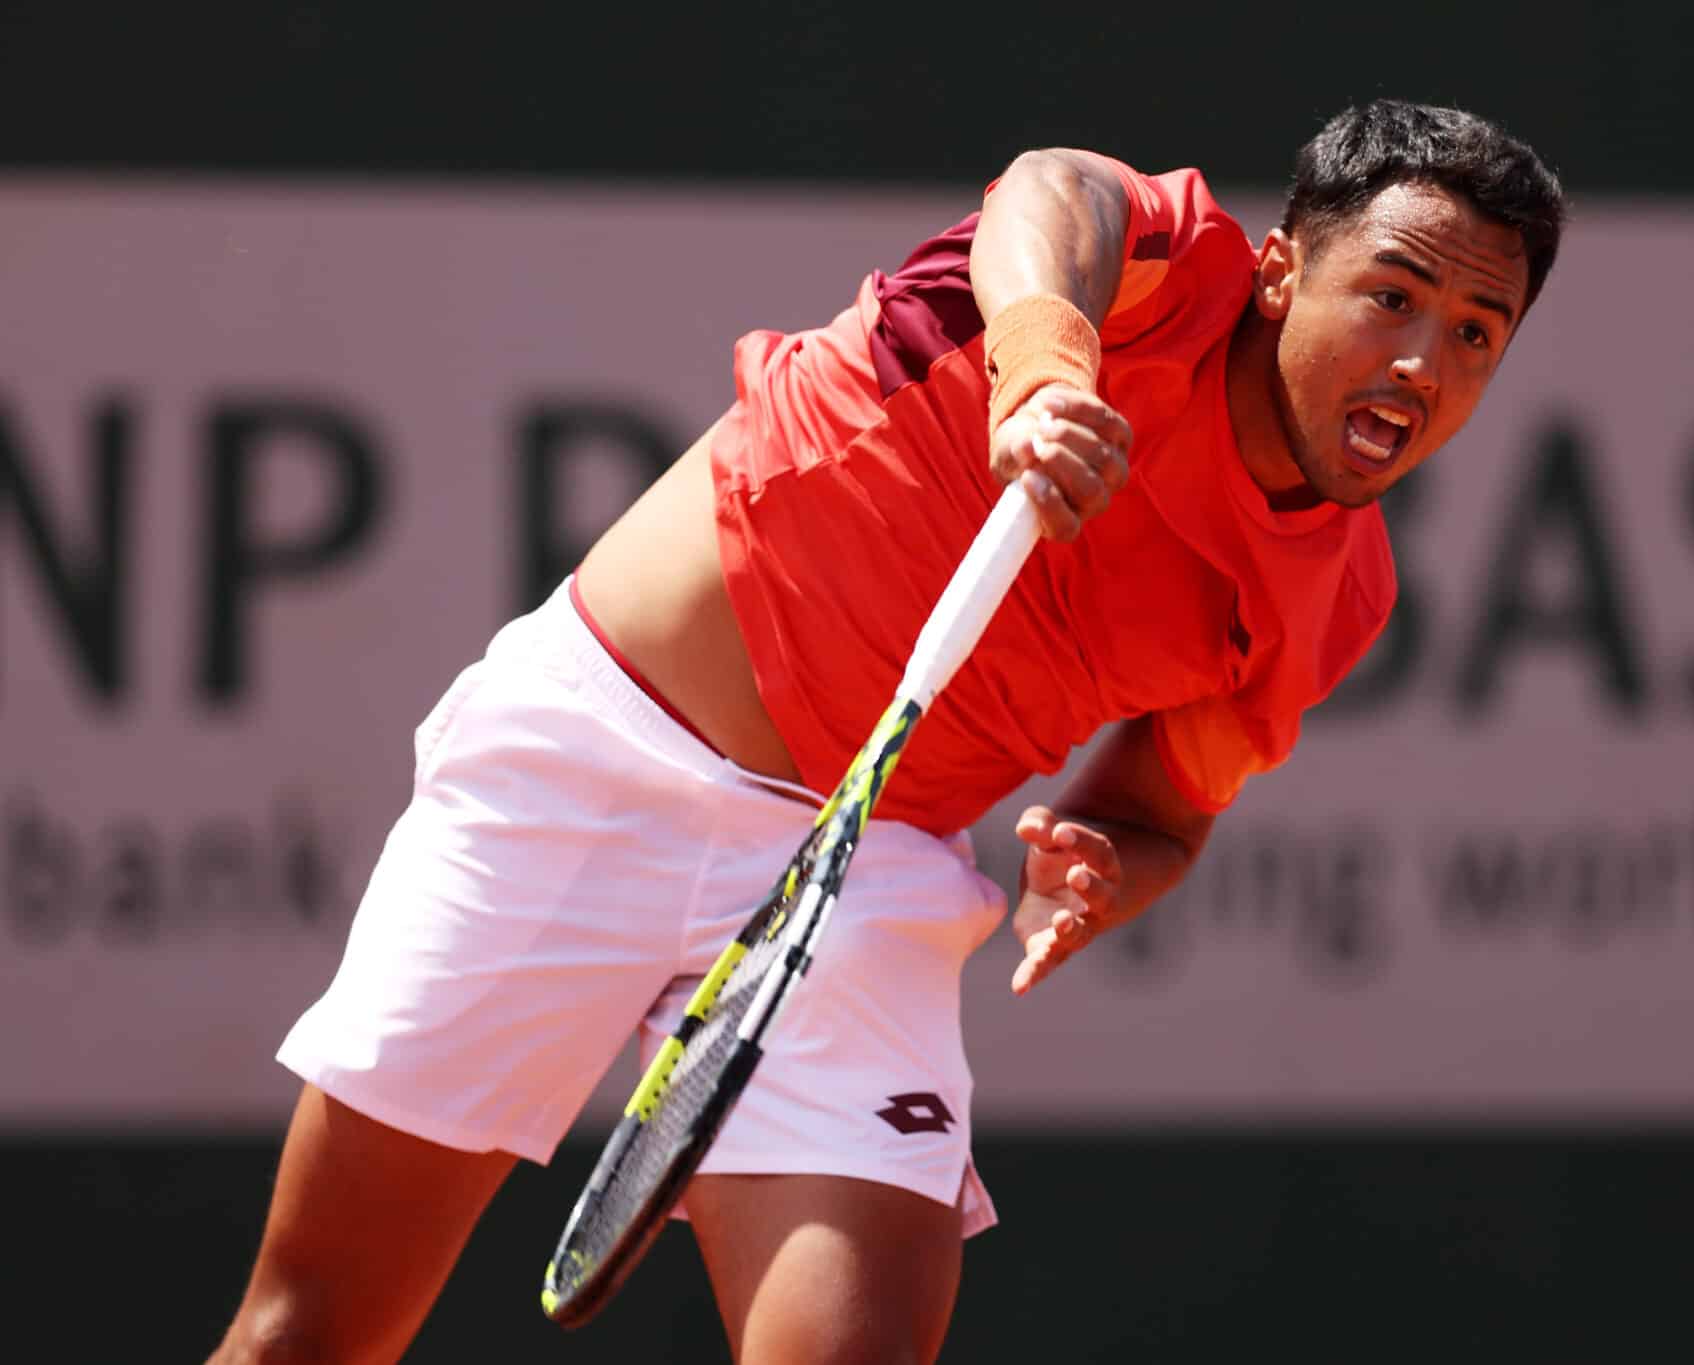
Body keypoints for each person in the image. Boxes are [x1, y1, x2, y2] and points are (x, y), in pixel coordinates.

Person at [209, 97, 1566, 1364]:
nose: (1420, 361)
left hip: (855, 882)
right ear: (1280, 272)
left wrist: (1103, 864)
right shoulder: (1170, 270)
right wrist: (1043, 374)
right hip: (593, 760)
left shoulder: (1335, 597)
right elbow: (1055, 189)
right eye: (1392, 295)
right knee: (305, 1336)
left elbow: (1162, 806)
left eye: (1474, 334)